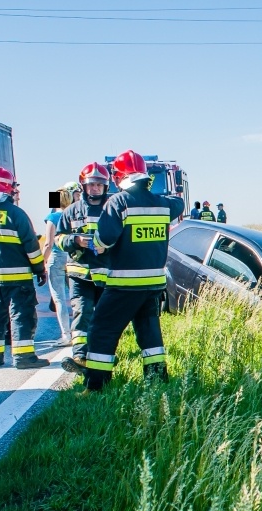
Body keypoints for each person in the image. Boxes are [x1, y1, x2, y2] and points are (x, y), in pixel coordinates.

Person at [81, 150, 184, 391]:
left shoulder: (118, 202)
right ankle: (156, 381)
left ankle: (96, 386)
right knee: (149, 332)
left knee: (102, 329)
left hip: (124, 283)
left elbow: (104, 240)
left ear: (119, 177)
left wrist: (91, 244)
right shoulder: (162, 204)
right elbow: (178, 203)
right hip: (153, 284)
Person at [0, 167, 49, 369]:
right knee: (21, 315)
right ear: (9, 188)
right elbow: (32, 247)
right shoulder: (16, 214)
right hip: (18, 279)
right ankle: (24, 357)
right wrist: (40, 270)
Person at [56, 162, 112, 378]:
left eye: (99, 185)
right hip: (79, 274)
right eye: (91, 184)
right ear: (83, 186)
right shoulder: (70, 210)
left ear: (105, 186)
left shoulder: (113, 209)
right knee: (81, 313)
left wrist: (107, 245)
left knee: (104, 318)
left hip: (106, 275)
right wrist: (75, 240)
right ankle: (80, 357)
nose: (95, 188)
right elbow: (58, 239)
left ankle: (102, 357)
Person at [43, 188, 73, 345]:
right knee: (76, 297)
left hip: (56, 258)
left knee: (59, 298)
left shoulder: (52, 217)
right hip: (72, 257)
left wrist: (41, 262)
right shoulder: (72, 215)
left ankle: (66, 335)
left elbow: (48, 243)